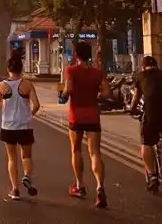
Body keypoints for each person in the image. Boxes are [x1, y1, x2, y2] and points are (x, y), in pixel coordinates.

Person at [58, 41, 110, 208]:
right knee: (95, 152)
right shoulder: (97, 72)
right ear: (90, 54)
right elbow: (106, 92)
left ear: (76, 55)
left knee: (76, 149)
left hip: (76, 115)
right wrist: (96, 97)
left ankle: (79, 186)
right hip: (93, 115)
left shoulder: (71, 70)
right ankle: (100, 188)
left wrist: (63, 94)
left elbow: (69, 89)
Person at [129, 56, 162, 193]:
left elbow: (135, 99)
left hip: (152, 112)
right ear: (156, 66)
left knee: (146, 142)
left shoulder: (141, 76)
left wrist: (132, 108)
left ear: (143, 67)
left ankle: (152, 175)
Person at [0, 50, 41, 200]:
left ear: (8, 69)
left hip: (8, 126)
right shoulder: (27, 84)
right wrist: (29, 115)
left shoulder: (1, 86)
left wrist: (5, 105)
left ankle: (15, 190)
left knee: (12, 158)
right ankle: (27, 176)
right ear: (21, 69)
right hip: (25, 125)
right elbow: (37, 105)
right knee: (26, 155)